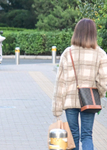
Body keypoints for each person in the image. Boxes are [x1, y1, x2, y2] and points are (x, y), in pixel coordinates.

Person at [52, 18, 107, 150]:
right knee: (87, 135)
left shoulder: (67, 52)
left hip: (70, 100)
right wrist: (99, 93)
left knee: (73, 135)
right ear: (93, 33)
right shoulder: (100, 53)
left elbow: (60, 82)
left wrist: (57, 108)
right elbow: (104, 80)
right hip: (89, 100)